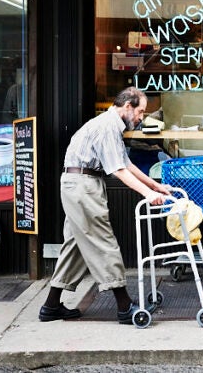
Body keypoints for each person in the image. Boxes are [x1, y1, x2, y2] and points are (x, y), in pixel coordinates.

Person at [38, 86, 171, 324]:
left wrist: (155, 186)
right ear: (127, 106)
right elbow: (118, 170)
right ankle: (123, 306)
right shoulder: (108, 127)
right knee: (103, 242)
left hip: (80, 183)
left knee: (76, 246)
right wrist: (147, 195)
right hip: (83, 185)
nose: (141, 118)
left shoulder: (110, 124)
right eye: (140, 112)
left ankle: (50, 307)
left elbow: (126, 163)